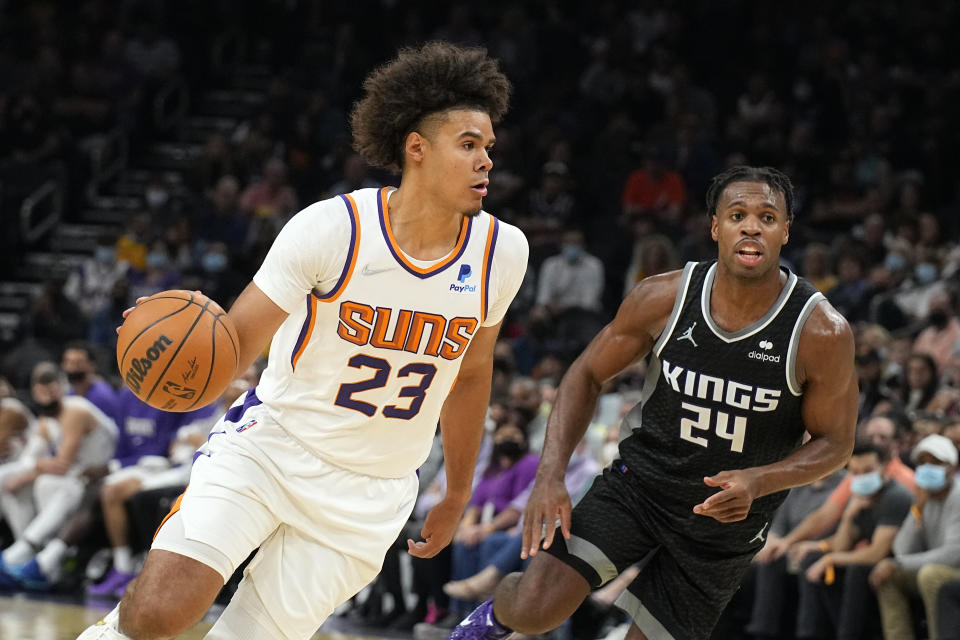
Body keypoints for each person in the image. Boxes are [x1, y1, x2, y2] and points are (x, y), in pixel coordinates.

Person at [78, 41, 526, 640]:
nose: (486, 162)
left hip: (370, 495)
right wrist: (167, 339)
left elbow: (471, 375)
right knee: (159, 611)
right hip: (271, 449)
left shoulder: (503, 253)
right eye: (468, 145)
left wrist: (459, 489)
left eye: (488, 148)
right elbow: (231, 344)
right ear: (416, 149)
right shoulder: (331, 229)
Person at [447, 165, 858, 640]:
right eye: (738, 214)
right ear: (715, 227)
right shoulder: (662, 297)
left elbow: (836, 443)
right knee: (536, 609)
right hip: (638, 487)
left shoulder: (821, 331)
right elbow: (585, 373)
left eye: (767, 217)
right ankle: (492, 620)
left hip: (726, 522)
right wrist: (550, 476)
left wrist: (759, 479)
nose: (751, 226)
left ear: (785, 232)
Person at [794, 441, 912, 640]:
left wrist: (829, 560)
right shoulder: (860, 496)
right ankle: (812, 633)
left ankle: (848, 635)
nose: (861, 477)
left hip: (897, 562)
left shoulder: (895, 496)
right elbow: (841, 546)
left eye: (867, 470)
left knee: (855, 570)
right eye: (855, 472)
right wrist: (848, 517)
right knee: (812, 559)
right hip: (873, 561)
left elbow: (876, 554)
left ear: (884, 467)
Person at [869, 434, 960, 640]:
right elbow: (903, 549)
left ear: (952, 468)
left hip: (954, 570)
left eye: (935, 463)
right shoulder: (924, 498)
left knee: (930, 575)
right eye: (923, 462)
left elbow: (954, 555)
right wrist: (916, 510)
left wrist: (898, 563)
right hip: (940, 567)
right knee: (888, 577)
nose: (927, 468)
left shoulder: (958, 496)